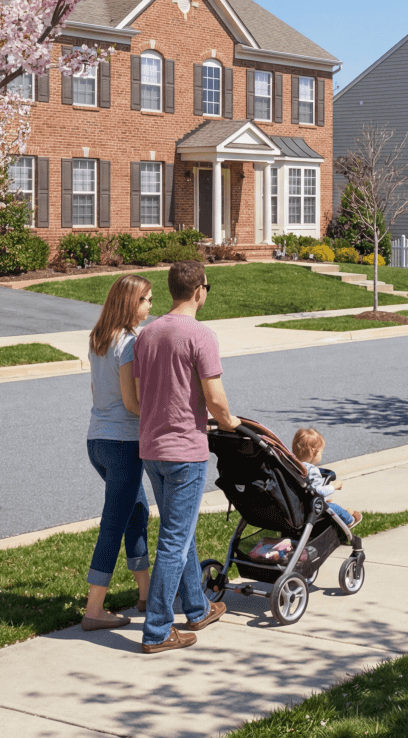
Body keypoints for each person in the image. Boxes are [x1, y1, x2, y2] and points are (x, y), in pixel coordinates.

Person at [133, 260, 240, 654]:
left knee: (182, 530)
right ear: (199, 291)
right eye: (207, 289)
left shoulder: (147, 335)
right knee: (175, 541)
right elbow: (214, 398)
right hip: (185, 452)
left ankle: (196, 608)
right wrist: (230, 422)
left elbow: (143, 395)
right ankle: (158, 630)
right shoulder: (200, 335)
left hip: (152, 449)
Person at [79, 274, 155, 632]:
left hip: (98, 441)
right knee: (113, 524)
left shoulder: (99, 338)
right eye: (146, 300)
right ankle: (94, 609)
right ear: (130, 303)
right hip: (124, 444)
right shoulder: (127, 343)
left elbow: (98, 390)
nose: (150, 306)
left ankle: (146, 594)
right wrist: (164, 413)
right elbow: (131, 402)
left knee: (136, 511)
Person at [290, 427, 361, 528]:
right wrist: (333, 487)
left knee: (328, 502)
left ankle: (328, 503)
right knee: (334, 508)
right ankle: (349, 520)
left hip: (298, 506)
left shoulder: (292, 466)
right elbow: (318, 491)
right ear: (313, 453)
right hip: (310, 508)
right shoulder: (311, 470)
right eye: (320, 452)